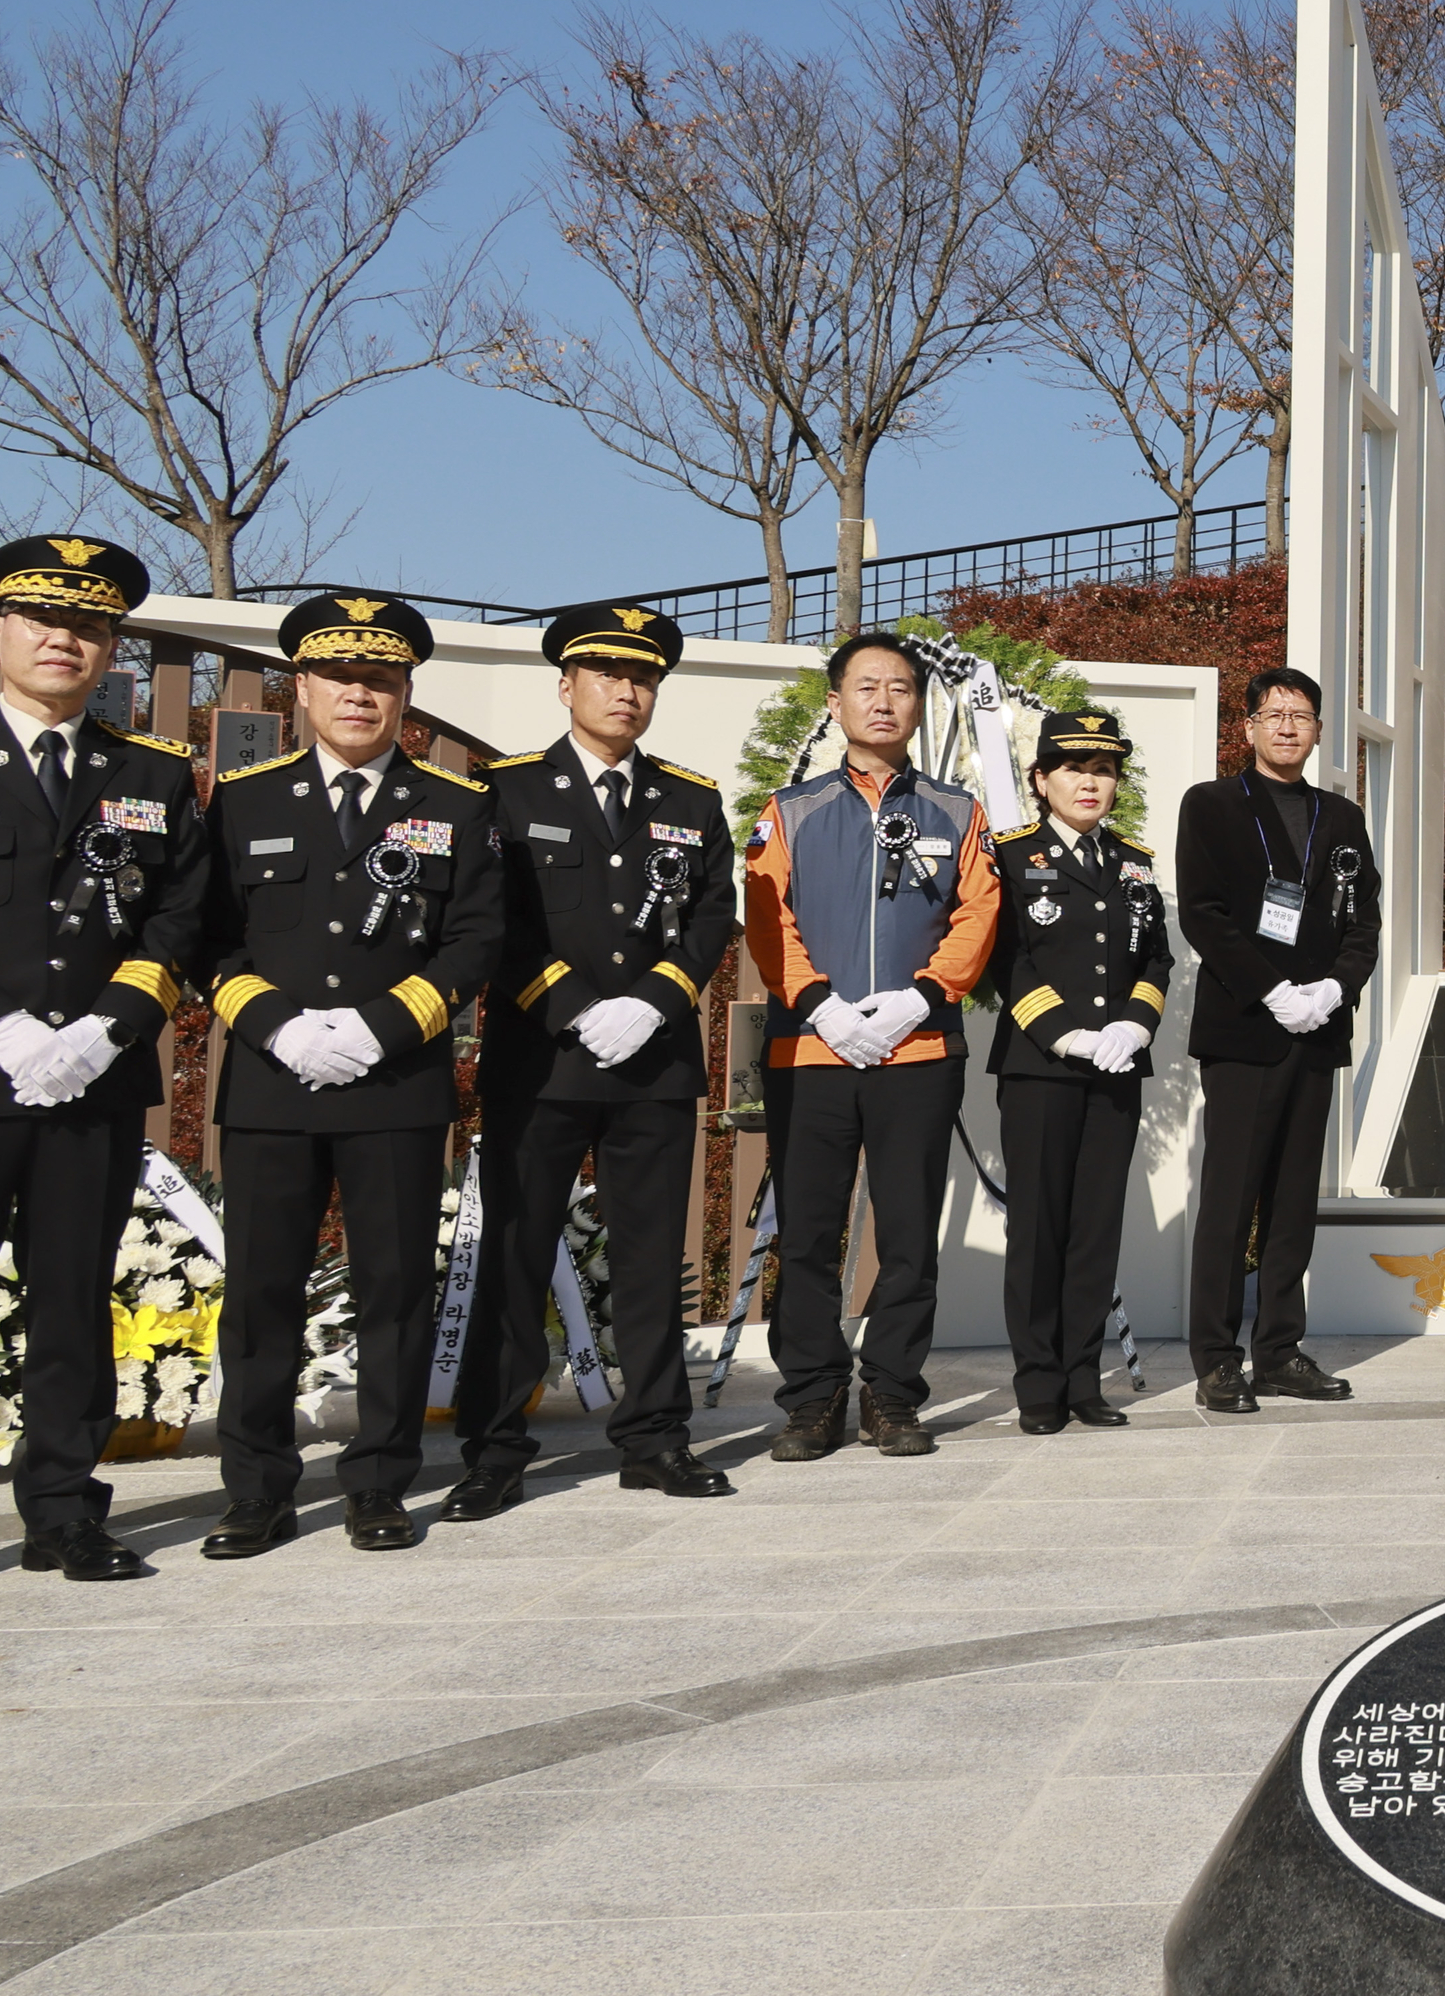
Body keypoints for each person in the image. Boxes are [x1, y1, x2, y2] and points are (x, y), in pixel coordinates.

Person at [0, 535, 213, 1607]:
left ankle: (63, 1508)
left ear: (110, 644)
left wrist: (108, 1027)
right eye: (43, 619)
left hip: (93, 1081)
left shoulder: (151, 772)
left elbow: (179, 915)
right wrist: (2, 1028)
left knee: (75, 1301)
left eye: (89, 624)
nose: (65, 638)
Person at [200, 593, 505, 1555]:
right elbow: (205, 936)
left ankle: (378, 1481)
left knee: (393, 1290)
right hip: (270, 1082)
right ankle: (256, 1490)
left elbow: (475, 940)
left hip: (394, 1085)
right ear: (304, 687)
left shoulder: (456, 806)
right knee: (259, 1295)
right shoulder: (244, 802)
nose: (358, 696)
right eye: (340, 678)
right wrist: (280, 1027)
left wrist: (377, 1030)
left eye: (379, 680)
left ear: (406, 692)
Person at [450, 603, 742, 1517]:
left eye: (643, 677)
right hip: (541, 1061)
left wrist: (653, 1001)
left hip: (652, 1063)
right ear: (566, 685)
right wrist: (576, 1008)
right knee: (515, 1251)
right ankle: (494, 1448)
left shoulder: (690, 800)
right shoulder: (504, 791)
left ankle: (655, 1438)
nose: (627, 690)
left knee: (652, 1257)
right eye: (609, 674)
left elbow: (709, 918)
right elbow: (490, 923)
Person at [743, 632, 1001, 1461]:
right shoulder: (790, 811)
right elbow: (765, 918)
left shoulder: (958, 811)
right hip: (811, 1054)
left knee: (909, 1232)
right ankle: (811, 1398)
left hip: (919, 1053)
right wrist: (821, 1007)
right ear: (836, 702)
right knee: (810, 1234)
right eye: (866, 687)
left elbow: (979, 912)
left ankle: (891, 1396)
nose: (883, 701)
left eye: (900, 688)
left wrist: (920, 998)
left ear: (919, 706)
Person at [1180, 667, 1381, 1411]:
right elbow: (1203, 914)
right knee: (1231, 1200)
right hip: (1244, 1030)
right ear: (1249, 727)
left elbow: (1366, 921)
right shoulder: (1212, 806)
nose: (1289, 727)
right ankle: (1216, 1357)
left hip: (1318, 1033)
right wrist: (1272, 991)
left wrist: (1333, 989)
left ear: (1320, 730)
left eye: (1302, 715)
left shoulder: (1340, 818)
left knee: (1295, 1200)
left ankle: (1280, 1350)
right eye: (1275, 714)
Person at [988, 710, 1173, 1434]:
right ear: (1041, 780)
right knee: (1039, 1230)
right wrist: (1065, 1036)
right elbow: (1006, 958)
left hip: (1118, 1068)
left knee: (1095, 1230)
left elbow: (1156, 957)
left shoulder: (1134, 860)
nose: (1090, 781)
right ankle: (1038, 1387)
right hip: (1040, 1068)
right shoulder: (1012, 855)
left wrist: (1135, 1024)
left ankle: (1081, 1380)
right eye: (1074, 768)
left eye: (1103, 770)